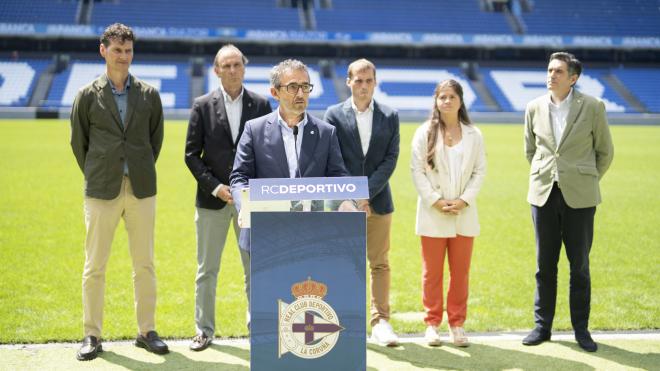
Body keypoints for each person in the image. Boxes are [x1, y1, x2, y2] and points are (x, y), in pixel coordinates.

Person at [70, 23, 168, 361]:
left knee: (145, 264)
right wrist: (103, 171)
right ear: (103, 51)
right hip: (101, 190)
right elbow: (78, 143)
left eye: (127, 51)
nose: (123, 56)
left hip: (141, 189)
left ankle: (147, 331)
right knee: (94, 266)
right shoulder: (85, 95)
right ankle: (92, 335)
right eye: (116, 50)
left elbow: (154, 142)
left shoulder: (149, 95)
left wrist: (134, 168)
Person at [522, 52, 614, 352]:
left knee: (580, 267)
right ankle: (542, 327)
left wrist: (585, 179)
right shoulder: (534, 107)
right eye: (549, 70)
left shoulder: (593, 106)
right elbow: (530, 150)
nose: (551, 75)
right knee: (544, 265)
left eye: (558, 71)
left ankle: (581, 330)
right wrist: (547, 175)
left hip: (581, 197)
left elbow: (605, 152)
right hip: (543, 194)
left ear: (573, 78)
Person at [184, 44, 272, 351]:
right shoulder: (201, 105)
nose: (232, 70)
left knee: (255, 267)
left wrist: (252, 189)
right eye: (226, 65)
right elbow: (191, 155)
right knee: (207, 270)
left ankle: (258, 326)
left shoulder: (261, 105)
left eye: (237, 64)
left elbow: (268, 152)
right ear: (216, 70)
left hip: (250, 201)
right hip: (212, 201)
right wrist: (216, 187)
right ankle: (204, 330)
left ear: (244, 68)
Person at [229, 59, 354, 251]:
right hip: (266, 232)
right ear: (275, 92)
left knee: (308, 283)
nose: (301, 93)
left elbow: (338, 176)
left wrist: (345, 201)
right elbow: (239, 177)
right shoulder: (254, 130)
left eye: (305, 86)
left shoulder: (326, 132)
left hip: (312, 234)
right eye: (293, 87)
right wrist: (244, 205)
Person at [323, 59, 400, 346]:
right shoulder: (332, 115)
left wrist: (366, 193)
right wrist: (352, 195)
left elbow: (391, 158)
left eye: (368, 80)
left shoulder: (390, 115)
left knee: (379, 263)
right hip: (343, 203)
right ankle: (341, 322)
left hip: (378, 202)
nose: (364, 86)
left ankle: (380, 322)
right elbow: (333, 158)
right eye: (358, 80)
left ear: (375, 82)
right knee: (342, 262)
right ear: (348, 82)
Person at [410, 79, 486, 347]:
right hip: (433, 213)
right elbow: (416, 171)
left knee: (460, 272)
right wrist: (436, 200)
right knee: (432, 273)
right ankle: (432, 324)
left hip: (463, 214)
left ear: (460, 100)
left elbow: (480, 171)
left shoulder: (474, 135)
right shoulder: (424, 132)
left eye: (452, 96)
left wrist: (464, 200)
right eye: (442, 97)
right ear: (436, 101)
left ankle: (457, 324)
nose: (447, 101)